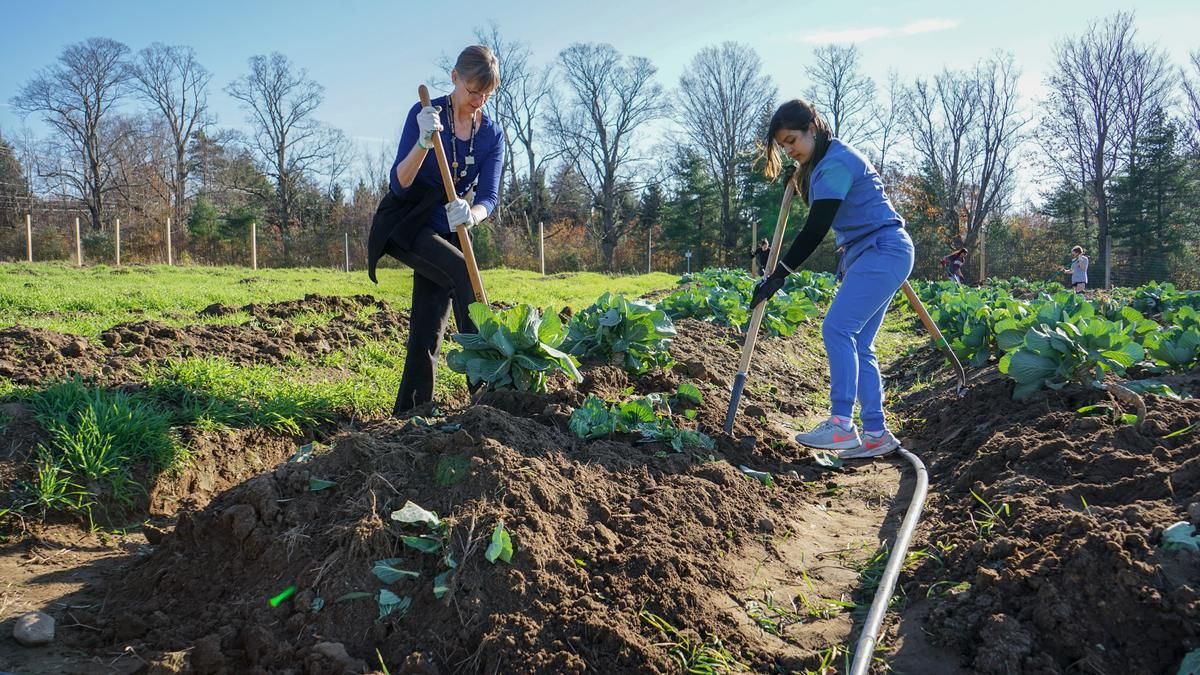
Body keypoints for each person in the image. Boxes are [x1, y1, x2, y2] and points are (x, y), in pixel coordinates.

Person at [749, 99, 914, 460]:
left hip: (881, 250)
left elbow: (816, 228)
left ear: (813, 128)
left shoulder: (836, 162)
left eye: (792, 140)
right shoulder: (824, 161)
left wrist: (780, 274)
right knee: (860, 343)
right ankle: (875, 433)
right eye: (783, 146)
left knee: (838, 329)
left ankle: (841, 425)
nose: (790, 150)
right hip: (876, 252)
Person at [366, 45, 504, 416]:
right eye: (473, 90)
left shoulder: (491, 134)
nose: (478, 100)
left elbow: (489, 195)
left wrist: (471, 214)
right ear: (455, 78)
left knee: (428, 322)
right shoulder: (426, 114)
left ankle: (411, 409)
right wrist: (423, 143)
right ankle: (486, 390)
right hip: (406, 223)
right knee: (462, 274)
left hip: (448, 225)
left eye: (486, 94)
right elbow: (399, 184)